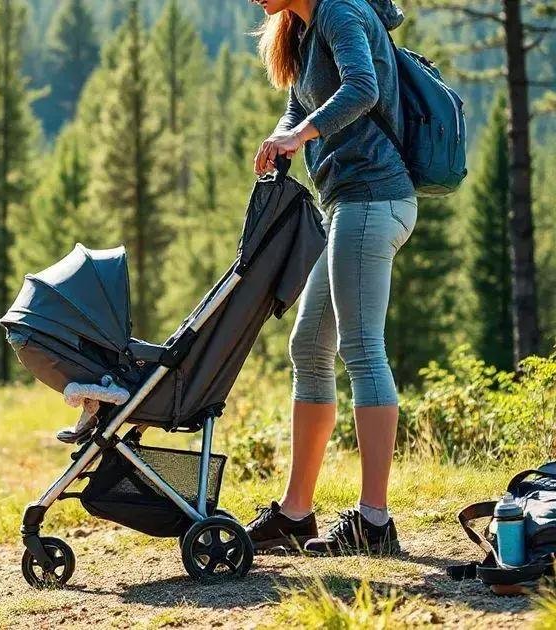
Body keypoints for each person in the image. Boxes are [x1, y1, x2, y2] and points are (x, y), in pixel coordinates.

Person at [245, 0, 417, 556]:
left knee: (362, 349)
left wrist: (304, 136)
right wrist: (281, 139)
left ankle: (374, 521)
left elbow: (362, 88)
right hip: (345, 204)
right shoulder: (299, 28)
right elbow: (299, 106)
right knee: (309, 346)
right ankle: (297, 515)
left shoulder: (341, 12)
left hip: (374, 197)